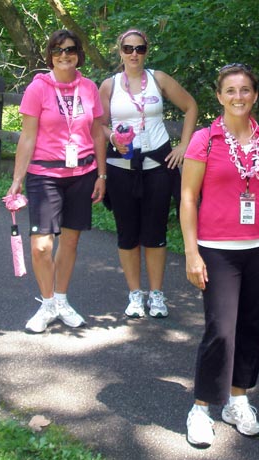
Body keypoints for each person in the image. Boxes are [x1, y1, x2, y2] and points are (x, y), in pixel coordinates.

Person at [180, 64, 259, 448]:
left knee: (252, 326)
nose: (238, 96)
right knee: (221, 330)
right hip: (218, 251)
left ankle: (238, 398)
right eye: (230, 90)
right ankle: (201, 408)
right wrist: (192, 252)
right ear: (219, 96)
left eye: (245, 89)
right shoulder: (204, 140)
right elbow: (188, 197)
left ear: (255, 95)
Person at [7, 29, 106, 333]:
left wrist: (102, 174)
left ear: (79, 54)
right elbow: (28, 136)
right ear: (50, 55)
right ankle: (47, 303)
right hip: (44, 175)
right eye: (58, 50)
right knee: (41, 246)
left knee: (71, 241)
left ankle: (61, 300)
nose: (65, 55)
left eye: (71, 50)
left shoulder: (89, 88)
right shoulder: (38, 89)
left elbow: (98, 132)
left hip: (82, 174)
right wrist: (17, 179)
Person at [99, 28, 197, 319]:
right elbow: (99, 124)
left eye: (139, 49)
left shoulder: (159, 79)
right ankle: (134, 295)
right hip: (121, 167)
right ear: (120, 51)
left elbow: (191, 106)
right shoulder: (109, 85)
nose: (134, 54)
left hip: (157, 166)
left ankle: (156, 294)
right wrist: (112, 137)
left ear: (146, 51)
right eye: (128, 48)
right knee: (127, 233)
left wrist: (184, 145)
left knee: (155, 233)